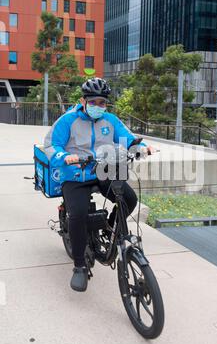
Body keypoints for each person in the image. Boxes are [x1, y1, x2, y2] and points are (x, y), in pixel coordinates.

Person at [44, 78, 154, 292]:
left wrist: (142, 147)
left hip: (103, 170)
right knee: (77, 215)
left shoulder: (110, 120)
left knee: (129, 199)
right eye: (93, 102)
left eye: (102, 102)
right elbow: (51, 144)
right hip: (75, 174)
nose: (98, 106)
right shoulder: (68, 120)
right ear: (83, 101)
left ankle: (111, 227)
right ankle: (79, 266)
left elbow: (128, 139)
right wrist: (64, 156)